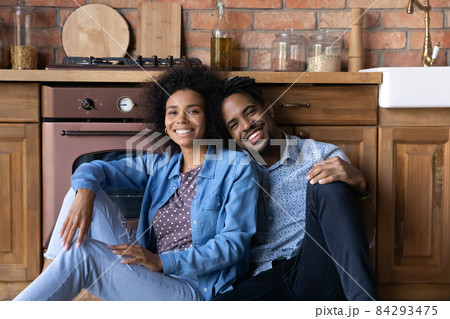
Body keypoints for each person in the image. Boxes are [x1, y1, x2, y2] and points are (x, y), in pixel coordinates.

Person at [14, 66, 258, 301]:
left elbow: (232, 245)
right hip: (150, 274)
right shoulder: (162, 165)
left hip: (194, 289)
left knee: (84, 254)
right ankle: (45, 289)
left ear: (209, 116)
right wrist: (85, 194)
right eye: (172, 112)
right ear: (164, 122)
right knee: (81, 190)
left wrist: (162, 262)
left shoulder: (235, 166)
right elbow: (93, 169)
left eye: (192, 111)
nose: (181, 120)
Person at [213, 76, 378, 301]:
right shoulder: (232, 171)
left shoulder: (323, 155)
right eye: (234, 124)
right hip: (264, 279)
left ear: (269, 110)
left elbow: (364, 241)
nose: (246, 125)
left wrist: (361, 187)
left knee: (329, 183)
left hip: (315, 271)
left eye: (250, 112)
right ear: (231, 137)